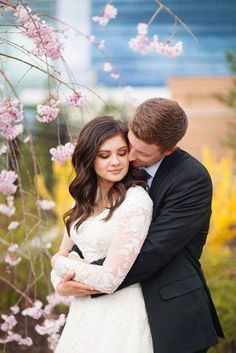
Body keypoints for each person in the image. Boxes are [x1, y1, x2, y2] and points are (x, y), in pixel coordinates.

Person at [52, 98, 224, 353]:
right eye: (128, 146)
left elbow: (152, 251)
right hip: (103, 310)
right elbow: (90, 232)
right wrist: (62, 281)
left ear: (170, 149)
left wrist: (77, 273)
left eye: (141, 153)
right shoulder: (118, 168)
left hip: (168, 311)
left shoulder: (190, 179)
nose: (129, 157)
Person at [51, 115, 154, 352]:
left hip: (120, 313)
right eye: (104, 155)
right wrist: (61, 286)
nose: (116, 162)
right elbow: (62, 256)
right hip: (83, 313)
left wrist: (58, 262)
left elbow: (110, 280)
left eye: (121, 152)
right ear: (89, 159)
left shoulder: (136, 201)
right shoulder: (84, 199)